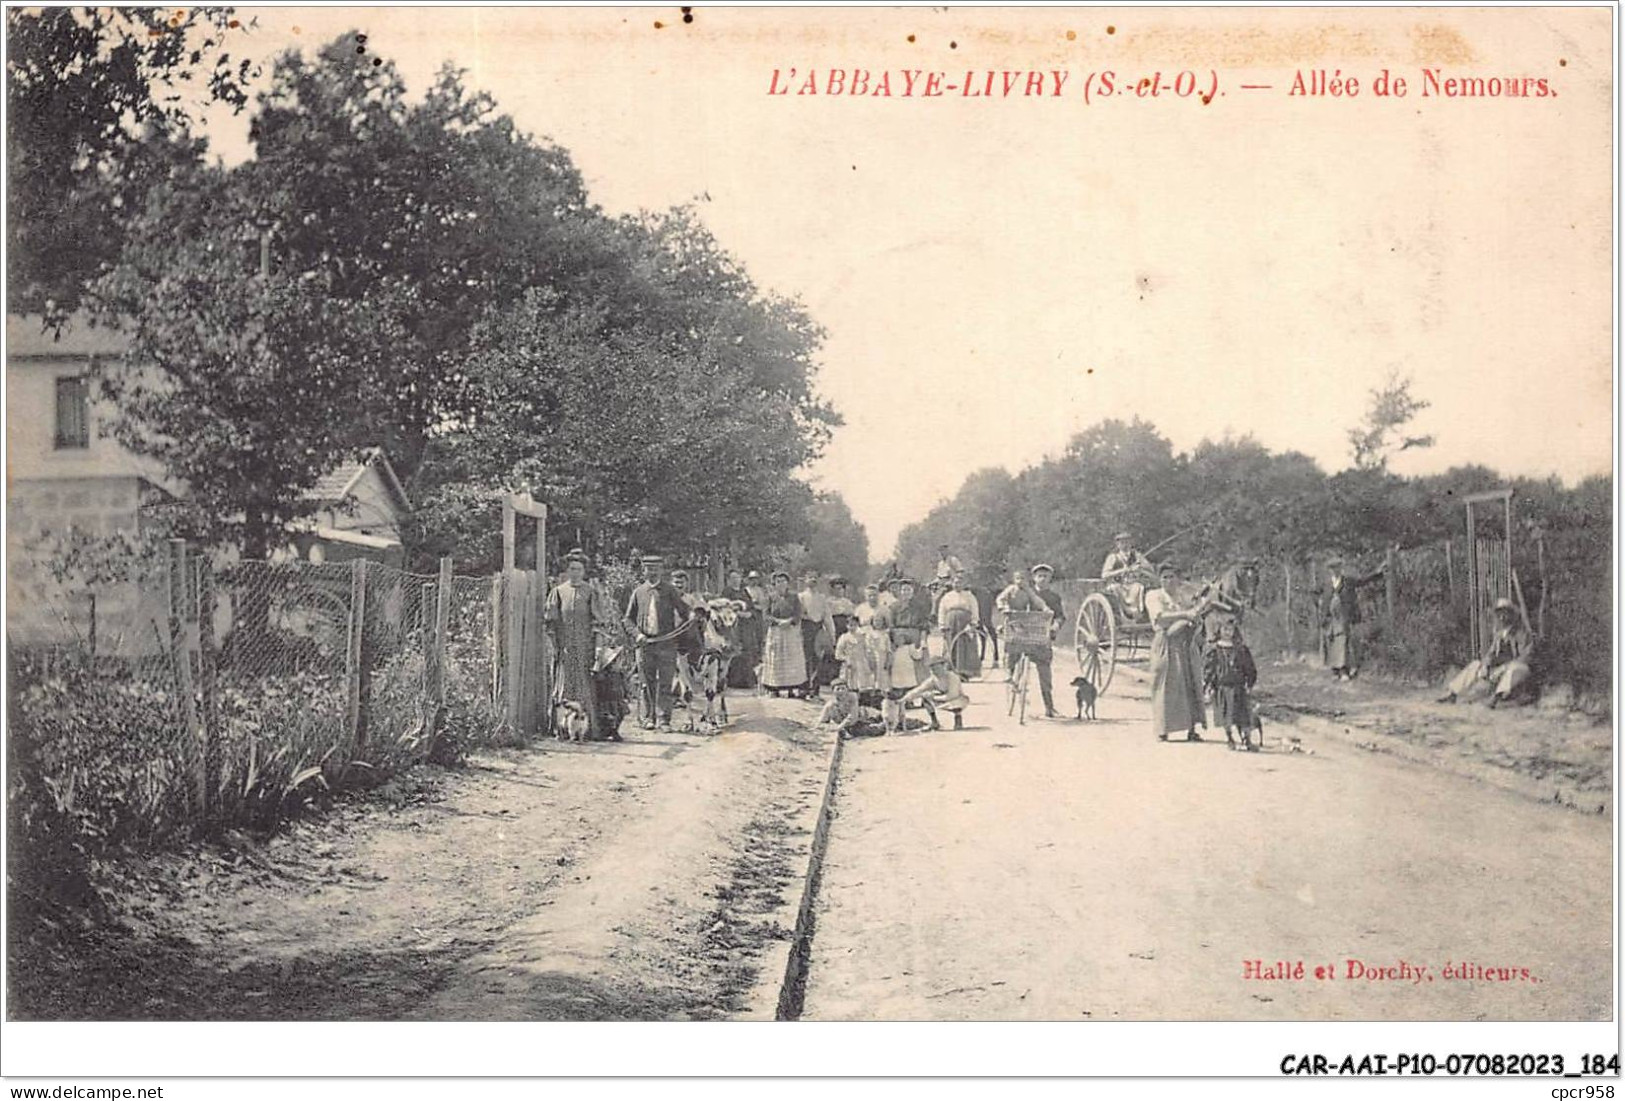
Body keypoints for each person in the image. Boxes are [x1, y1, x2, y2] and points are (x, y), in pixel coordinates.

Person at [544, 549, 613, 740]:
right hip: (565, 649)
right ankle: (561, 729)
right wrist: (555, 646)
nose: (575, 572)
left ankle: (587, 730)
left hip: (585, 649)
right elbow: (550, 623)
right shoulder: (558, 592)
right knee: (563, 687)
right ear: (567, 571)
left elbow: (598, 624)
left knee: (585, 687)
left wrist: (598, 649)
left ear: (584, 572)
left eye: (579, 569)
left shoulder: (590, 592)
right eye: (572, 569)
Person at [622, 555, 689, 732]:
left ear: (661, 570)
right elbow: (627, 619)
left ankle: (664, 719)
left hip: (666, 644)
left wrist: (689, 621)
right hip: (644, 645)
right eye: (648, 569)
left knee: (666, 682)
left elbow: (684, 612)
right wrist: (637, 635)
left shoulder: (670, 591)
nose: (652, 572)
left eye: (656, 569)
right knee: (646, 683)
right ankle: (648, 718)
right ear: (643, 571)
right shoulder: (638, 592)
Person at [1147, 560, 1209, 742]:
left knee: (1191, 683)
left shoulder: (1183, 596)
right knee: (1164, 684)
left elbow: (1196, 611)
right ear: (1160, 580)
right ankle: (1162, 729)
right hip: (1166, 643)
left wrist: (1196, 614)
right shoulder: (1154, 596)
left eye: (1171, 577)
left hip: (1186, 643)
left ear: (1177, 579)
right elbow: (1160, 618)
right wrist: (1185, 615)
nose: (1168, 581)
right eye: (1164, 578)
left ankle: (1192, 728)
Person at [1438, 597, 1535, 708]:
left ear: (1512, 614)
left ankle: (1495, 698)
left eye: (1505, 613)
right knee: (1476, 664)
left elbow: (1526, 656)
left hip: (1519, 672)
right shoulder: (1499, 635)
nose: (1502, 617)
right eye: (1499, 613)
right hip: (1499, 672)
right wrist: (1485, 665)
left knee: (1515, 667)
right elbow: (1491, 654)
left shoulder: (1522, 633)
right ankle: (1453, 693)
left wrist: (1505, 667)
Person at [996, 564, 1064, 719]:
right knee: (1012, 653)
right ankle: (1011, 678)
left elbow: (1060, 616)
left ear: (1050, 579)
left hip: (1041, 638)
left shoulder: (1053, 597)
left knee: (1045, 671)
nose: (1042, 579)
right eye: (1039, 576)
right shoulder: (1023, 592)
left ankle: (1049, 706)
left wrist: (1055, 626)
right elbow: (1005, 603)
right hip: (1020, 634)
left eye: (1046, 576)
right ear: (1033, 578)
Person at [1320, 555, 1385, 680]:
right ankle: (1336, 670)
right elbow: (1321, 596)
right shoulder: (1327, 584)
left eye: (1337, 567)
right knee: (1333, 641)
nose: (1335, 570)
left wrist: (1378, 573)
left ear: (1341, 568)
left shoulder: (1348, 581)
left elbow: (1363, 581)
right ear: (1329, 570)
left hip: (1345, 615)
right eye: (1332, 568)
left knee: (1344, 640)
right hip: (1332, 617)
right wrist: (1323, 613)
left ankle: (1345, 670)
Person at [1203, 618, 1260, 750]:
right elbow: (1209, 669)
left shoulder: (1241, 649)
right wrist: (1209, 685)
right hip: (1223, 687)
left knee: (1244, 714)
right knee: (1226, 715)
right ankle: (1230, 738)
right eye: (1225, 629)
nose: (1228, 632)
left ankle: (1247, 739)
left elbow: (1249, 667)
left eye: (1231, 630)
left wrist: (1249, 683)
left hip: (1238, 687)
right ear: (1219, 630)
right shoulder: (1215, 649)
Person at [883, 577, 932, 727]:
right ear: (899, 591)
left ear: (913, 592)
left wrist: (923, 642)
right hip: (899, 644)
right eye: (903, 589)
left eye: (909, 590)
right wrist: (892, 644)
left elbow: (924, 627)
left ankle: (932, 717)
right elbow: (890, 628)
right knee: (899, 679)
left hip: (915, 640)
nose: (906, 592)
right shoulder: (893, 607)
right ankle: (899, 717)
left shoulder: (920, 607)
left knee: (921, 677)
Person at [760, 571, 809, 698]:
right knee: (775, 658)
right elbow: (765, 615)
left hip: (791, 631)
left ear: (787, 583)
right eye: (778, 581)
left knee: (791, 659)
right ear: (774, 584)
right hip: (776, 631)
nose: (781, 584)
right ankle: (773, 688)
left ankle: (792, 688)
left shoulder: (794, 597)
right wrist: (777, 621)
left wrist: (790, 621)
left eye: (783, 581)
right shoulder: (770, 597)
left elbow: (798, 614)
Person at [903, 654, 972, 730]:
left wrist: (933, 697)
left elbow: (952, 695)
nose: (934, 671)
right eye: (932, 669)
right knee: (924, 696)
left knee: (957, 705)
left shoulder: (952, 677)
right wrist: (905, 698)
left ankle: (958, 720)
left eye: (937, 668)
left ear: (944, 666)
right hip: (942, 698)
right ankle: (934, 722)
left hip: (957, 699)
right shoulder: (933, 679)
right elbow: (919, 689)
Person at [797, 570, 838, 697]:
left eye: (815, 578)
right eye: (810, 578)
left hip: (818, 628)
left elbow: (827, 617)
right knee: (804, 658)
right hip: (805, 628)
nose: (813, 580)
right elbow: (797, 615)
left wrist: (832, 635)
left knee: (817, 658)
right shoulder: (801, 597)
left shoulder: (821, 598)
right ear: (805, 580)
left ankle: (814, 688)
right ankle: (803, 687)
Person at [936, 572, 983, 679]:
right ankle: (951, 672)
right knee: (951, 645)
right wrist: (942, 624)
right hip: (950, 624)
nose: (957, 585)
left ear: (964, 584)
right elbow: (942, 611)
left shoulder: (969, 596)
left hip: (965, 624)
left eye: (960, 583)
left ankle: (965, 673)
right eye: (955, 583)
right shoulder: (947, 597)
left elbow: (974, 609)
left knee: (966, 645)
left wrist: (974, 622)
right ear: (952, 583)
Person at [721, 568, 760, 689]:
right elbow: (723, 609)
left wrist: (750, 614)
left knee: (747, 651)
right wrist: (737, 614)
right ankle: (733, 680)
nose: (735, 581)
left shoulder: (744, 592)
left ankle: (746, 681)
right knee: (734, 650)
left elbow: (752, 608)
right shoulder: (726, 592)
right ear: (728, 580)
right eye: (733, 578)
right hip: (733, 626)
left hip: (746, 627)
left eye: (737, 578)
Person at [1102, 532, 1154, 620]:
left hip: (1133, 585)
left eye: (1127, 542)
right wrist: (1123, 570)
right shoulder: (1113, 557)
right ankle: (1125, 612)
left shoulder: (1137, 556)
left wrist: (1140, 567)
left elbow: (1150, 569)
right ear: (1117, 545)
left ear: (1131, 543)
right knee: (1116, 588)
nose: (1125, 545)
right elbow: (1105, 575)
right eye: (1122, 543)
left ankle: (1137, 612)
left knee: (1139, 587)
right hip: (1118, 585)